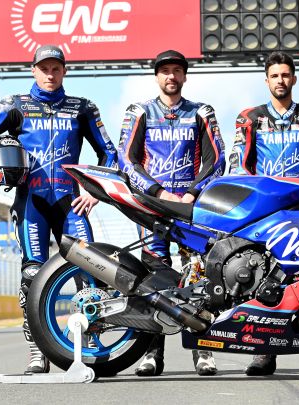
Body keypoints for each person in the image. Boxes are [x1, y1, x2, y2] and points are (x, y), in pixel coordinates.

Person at [0, 45, 117, 374]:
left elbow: (110, 153)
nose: (50, 74)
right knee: (32, 276)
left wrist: (95, 190)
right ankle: (38, 351)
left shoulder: (83, 108)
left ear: (64, 71)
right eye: (44, 68)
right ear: (33, 70)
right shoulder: (15, 105)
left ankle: (90, 344)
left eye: (56, 68)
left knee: (92, 272)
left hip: (72, 204)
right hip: (32, 204)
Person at [117, 49, 226, 376]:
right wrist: (157, 193)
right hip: (152, 206)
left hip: (191, 207)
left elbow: (217, 159)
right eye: (165, 71)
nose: (171, 76)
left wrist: (192, 193)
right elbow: (126, 159)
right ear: (157, 76)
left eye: (177, 70)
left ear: (184, 76)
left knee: (200, 276)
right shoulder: (139, 111)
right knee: (155, 279)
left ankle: (203, 349)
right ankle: (152, 353)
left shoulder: (201, 112)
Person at [228, 51, 299, 376]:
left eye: (285, 75)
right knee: (264, 280)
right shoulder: (250, 117)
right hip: (266, 213)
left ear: (294, 78)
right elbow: (238, 162)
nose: (280, 80)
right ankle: (263, 352)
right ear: (266, 80)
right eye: (274, 75)